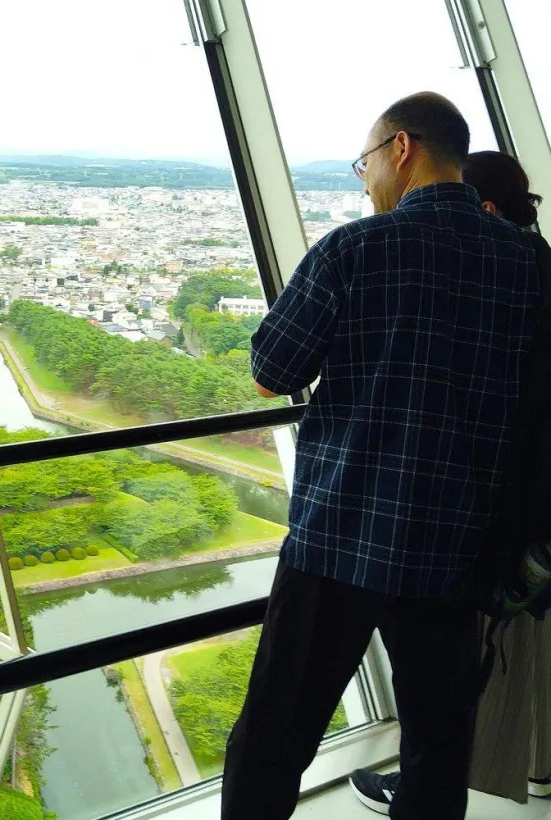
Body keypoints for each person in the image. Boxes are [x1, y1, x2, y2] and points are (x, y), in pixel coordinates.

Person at [221, 92, 546, 820]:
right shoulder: (527, 262)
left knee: (275, 735)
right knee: (436, 743)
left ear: (401, 149)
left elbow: (272, 368)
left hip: (339, 537)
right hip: (455, 549)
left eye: (364, 163)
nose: (365, 179)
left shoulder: (356, 248)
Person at [350, 152, 550, 813]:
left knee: (462, 666)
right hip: (530, 505)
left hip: (500, 508)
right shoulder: (533, 265)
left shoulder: (516, 275)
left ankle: (429, 787)